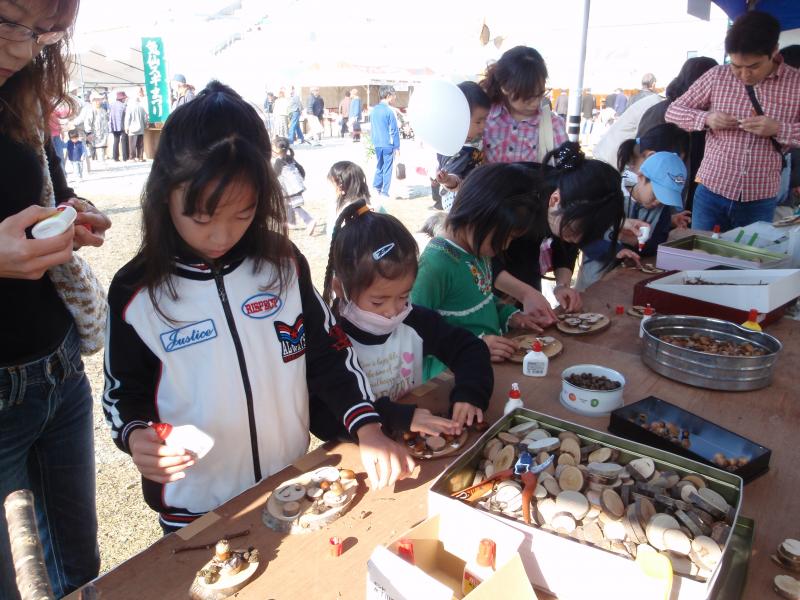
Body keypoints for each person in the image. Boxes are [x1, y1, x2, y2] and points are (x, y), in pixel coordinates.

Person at [103, 81, 414, 534]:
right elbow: (120, 392)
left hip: (291, 486)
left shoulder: (283, 264)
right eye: (202, 217)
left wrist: (367, 426)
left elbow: (327, 356)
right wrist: (135, 436)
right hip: (194, 508)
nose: (220, 235)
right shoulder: (137, 291)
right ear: (165, 194)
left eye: (243, 214)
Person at [0, 1, 113, 596]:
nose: (23, 49)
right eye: (9, 23)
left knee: (78, 574)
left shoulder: (20, 90)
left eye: (44, 35)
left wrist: (74, 214)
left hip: (58, 369)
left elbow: (48, 190)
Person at [311, 200, 492, 439]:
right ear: (340, 289)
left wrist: (469, 394)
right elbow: (320, 416)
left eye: (404, 296)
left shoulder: (415, 321)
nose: (393, 311)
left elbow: (470, 349)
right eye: (378, 301)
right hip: (362, 452)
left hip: (415, 439)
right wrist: (397, 417)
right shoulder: (330, 341)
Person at [666, 11, 800, 231]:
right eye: (736, 66)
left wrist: (778, 128)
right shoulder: (718, 76)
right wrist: (707, 118)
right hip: (711, 191)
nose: (744, 75)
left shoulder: (796, 84)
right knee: (703, 260)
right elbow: (673, 111)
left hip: (760, 197)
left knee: (746, 263)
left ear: (774, 51)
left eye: (754, 66)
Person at [411, 163, 548, 377]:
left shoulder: (478, 253)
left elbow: (480, 299)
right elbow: (414, 334)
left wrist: (511, 316)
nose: (504, 246)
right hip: (450, 379)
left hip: (485, 369)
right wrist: (473, 346)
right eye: (505, 237)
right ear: (478, 216)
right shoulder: (435, 266)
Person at [491, 143, 628, 324]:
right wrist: (524, 293)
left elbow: (566, 245)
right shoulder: (517, 197)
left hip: (523, 263)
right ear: (555, 200)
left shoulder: (565, 202)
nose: (577, 240)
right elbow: (483, 258)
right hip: (479, 273)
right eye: (574, 231)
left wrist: (562, 286)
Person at [577, 152, 687, 290]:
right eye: (656, 194)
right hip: (594, 280)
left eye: (665, 199)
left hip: (629, 282)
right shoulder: (610, 192)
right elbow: (584, 239)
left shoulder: (662, 210)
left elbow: (655, 244)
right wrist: (615, 249)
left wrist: (633, 241)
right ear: (641, 177)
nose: (658, 202)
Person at [636, 57, 718, 210]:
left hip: (697, 193)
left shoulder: (711, 117)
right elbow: (641, 155)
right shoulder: (662, 111)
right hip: (662, 197)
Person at [482, 46, 567, 163]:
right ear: (505, 87)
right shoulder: (483, 117)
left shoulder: (553, 125)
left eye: (540, 94)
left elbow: (568, 174)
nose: (536, 102)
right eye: (528, 97)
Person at [435, 81, 489, 211]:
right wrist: (447, 180)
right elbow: (454, 177)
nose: (483, 126)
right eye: (478, 121)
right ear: (460, 118)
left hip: (472, 197)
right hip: (460, 203)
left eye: (485, 119)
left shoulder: (472, 140)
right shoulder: (458, 148)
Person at [272, 136, 317, 234]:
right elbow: (301, 170)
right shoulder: (290, 158)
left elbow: (274, 175)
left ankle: (309, 220)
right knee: (287, 204)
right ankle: (291, 223)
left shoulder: (278, 162)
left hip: (290, 189)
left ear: (276, 149)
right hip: (295, 186)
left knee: (295, 206)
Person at [370, 85, 401, 198]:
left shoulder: (373, 111)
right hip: (387, 144)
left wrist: (373, 142)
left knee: (380, 165)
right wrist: (397, 147)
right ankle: (384, 192)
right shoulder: (389, 111)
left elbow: (372, 128)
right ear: (388, 96)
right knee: (387, 167)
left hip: (377, 143)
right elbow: (394, 130)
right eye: (393, 95)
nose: (395, 97)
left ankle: (376, 187)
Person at [327, 160, 371, 236]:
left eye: (332, 184)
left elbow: (331, 234)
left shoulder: (339, 209)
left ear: (340, 187)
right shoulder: (375, 205)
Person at [84, 89, 109, 163]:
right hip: (96, 135)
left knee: (102, 150)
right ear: (93, 101)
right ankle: (100, 163)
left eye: (100, 99)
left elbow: (106, 121)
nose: (100, 101)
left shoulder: (103, 110)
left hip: (103, 135)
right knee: (99, 150)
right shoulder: (91, 110)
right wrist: (89, 133)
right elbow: (87, 122)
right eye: (98, 99)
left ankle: (102, 162)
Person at [125, 93, 148, 162]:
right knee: (140, 144)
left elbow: (127, 118)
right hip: (141, 128)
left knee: (132, 144)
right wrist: (144, 126)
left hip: (132, 129)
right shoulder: (142, 108)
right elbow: (145, 118)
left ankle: (132, 157)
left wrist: (126, 127)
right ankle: (140, 157)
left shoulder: (130, 107)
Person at [109, 90, 128, 162]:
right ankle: (125, 157)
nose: (125, 99)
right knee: (124, 141)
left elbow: (109, 116)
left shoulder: (112, 105)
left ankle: (115, 157)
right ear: (122, 98)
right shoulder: (123, 106)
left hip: (114, 126)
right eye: (124, 98)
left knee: (116, 141)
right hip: (122, 125)